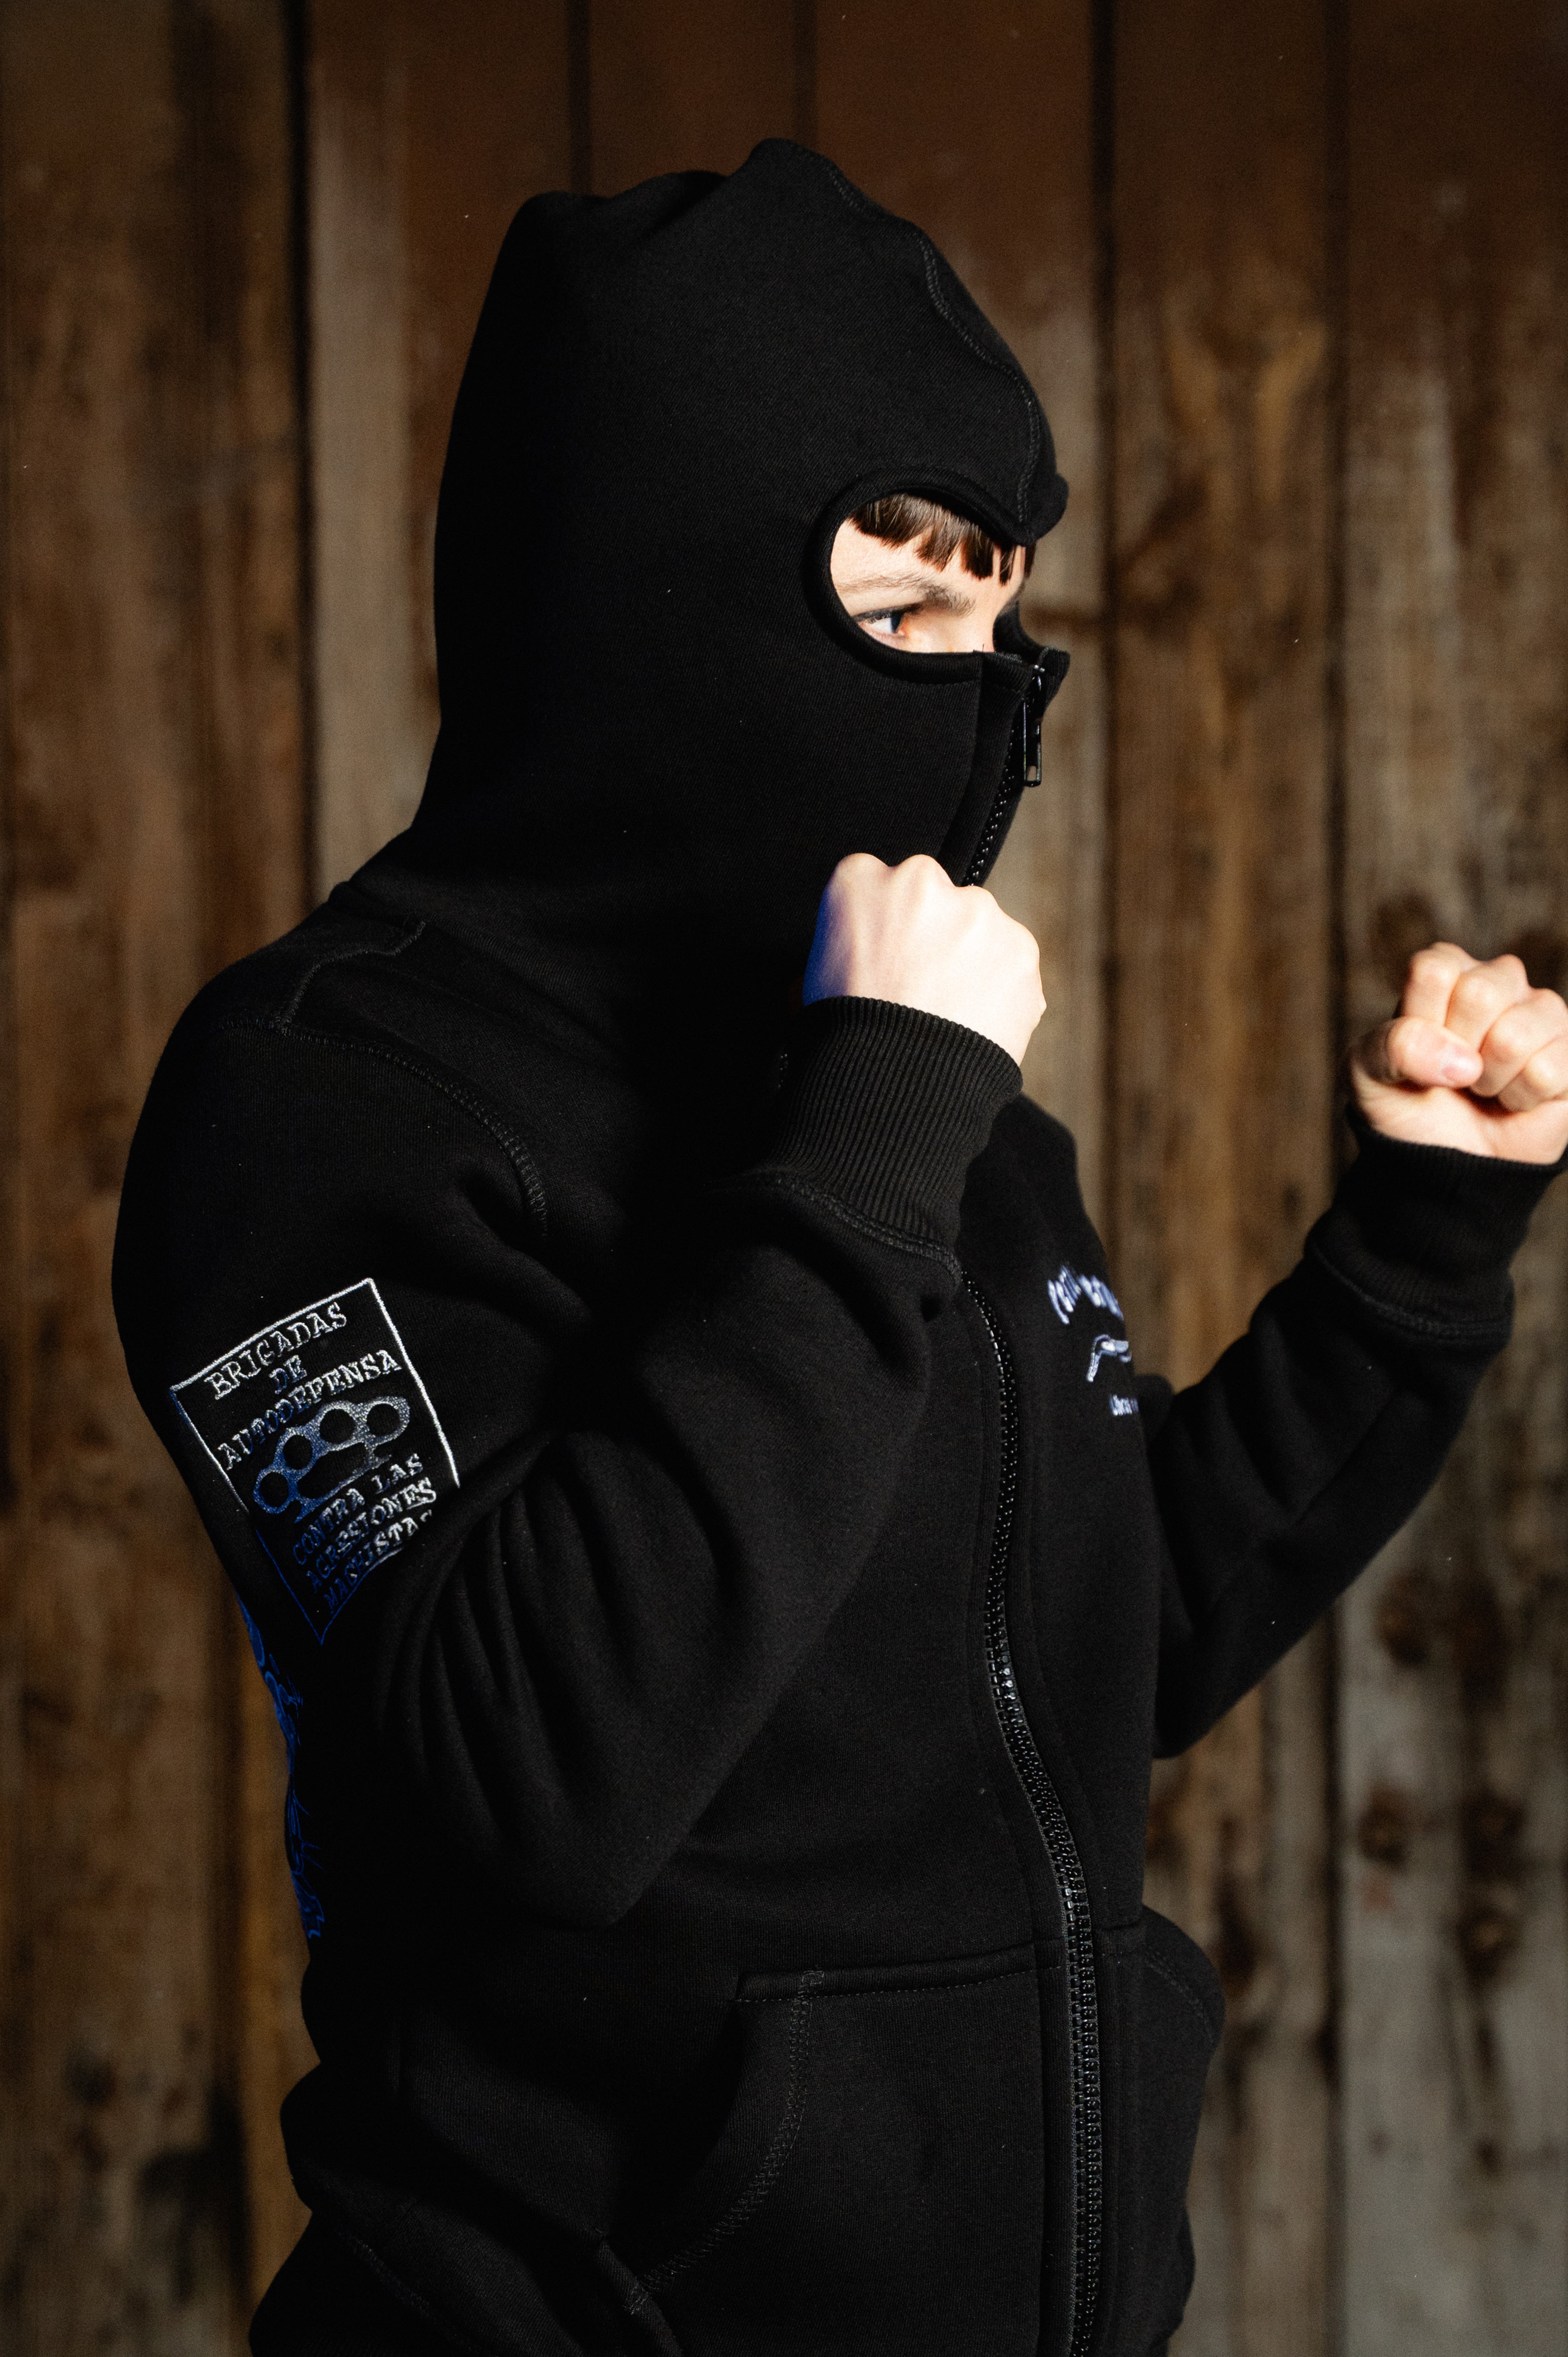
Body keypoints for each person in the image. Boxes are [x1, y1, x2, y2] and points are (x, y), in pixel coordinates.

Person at [112, 140, 1568, 2357]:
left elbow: (1115, 1632)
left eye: (998, 619)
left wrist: (1420, 1238)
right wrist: (870, 1133)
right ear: (641, 595)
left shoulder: (901, 1076)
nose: (979, 706)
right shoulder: (322, 1096)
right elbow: (534, 1780)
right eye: (894, 615)